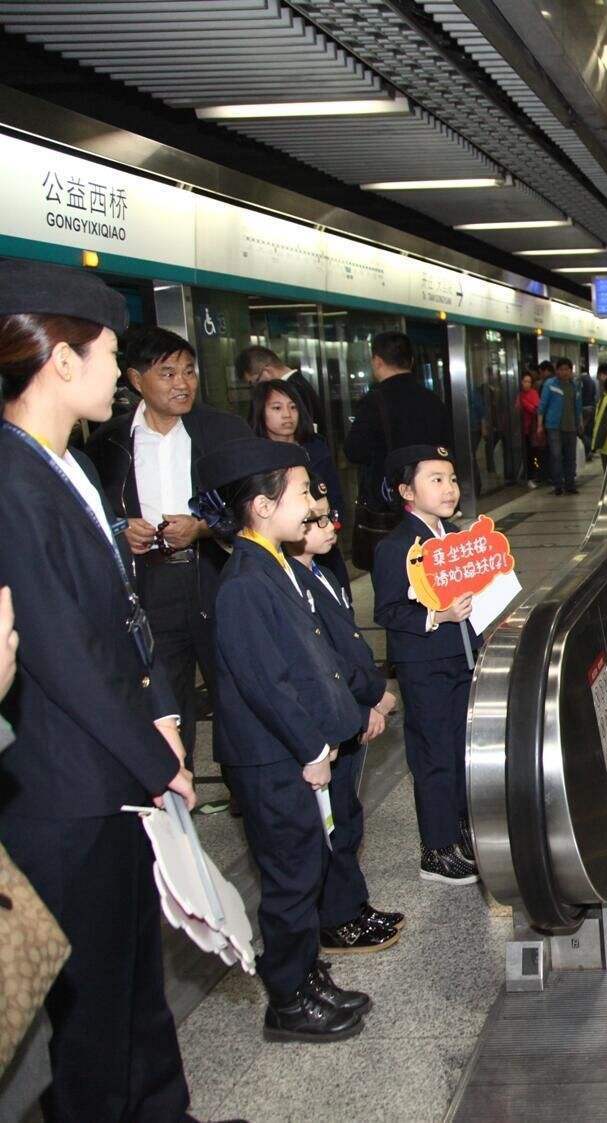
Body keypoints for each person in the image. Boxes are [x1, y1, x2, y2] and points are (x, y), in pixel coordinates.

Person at [0, 261, 197, 1118]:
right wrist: (155, 760)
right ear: (62, 360)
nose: (124, 374)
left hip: (108, 770)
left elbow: (117, 613)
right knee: (91, 1005)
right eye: (113, 354)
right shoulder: (12, 482)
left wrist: (158, 707)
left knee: (134, 978)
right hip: (66, 789)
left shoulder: (65, 463)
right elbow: (62, 654)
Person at [196, 438, 371, 1042]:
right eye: (301, 491)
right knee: (291, 878)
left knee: (307, 867)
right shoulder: (246, 580)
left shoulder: (275, 564)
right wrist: (311, 749)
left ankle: (306, 975)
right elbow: (264, 682)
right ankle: (289, 1000)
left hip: (290, 750)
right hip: (273, 757)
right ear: (263, 506)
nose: (313, 500)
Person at [86, 325, 249, 815]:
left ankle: (249, 797)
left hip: (215, 580)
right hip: (151, 585)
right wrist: (121, 530)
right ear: (136, 379)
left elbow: (253, 507)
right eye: (168, 372)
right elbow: (95, 511)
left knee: (236, 692)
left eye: (190, 371)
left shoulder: (222, 432)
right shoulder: (109, 440)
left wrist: (201, 529)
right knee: (165, 696)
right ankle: (174, 802)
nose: (183, 383)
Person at [288, 481, 403, 954]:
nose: (328, 526)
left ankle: (353, 904)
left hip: (352, 711)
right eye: (314, 521)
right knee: (333, 824)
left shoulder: (323, 574)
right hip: (336, 717)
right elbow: (327, 662)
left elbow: (352, 647)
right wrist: (370, 701)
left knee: (349, 816)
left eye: (328, 516)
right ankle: (337, 917)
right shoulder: (290, 585)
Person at [372, 445, 481, 885]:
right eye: (435, 479)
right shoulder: (397, 545)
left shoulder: (454, 537)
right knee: (434, 755)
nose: (449, 488)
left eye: (452, 478)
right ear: (406, 492)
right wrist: (438, 615)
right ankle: (435, 851)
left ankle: (458, 831)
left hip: (462, 659)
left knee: (460, 750)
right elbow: (388, 611)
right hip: (425, 665)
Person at [251, 377, 350, 592]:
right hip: (279, 551)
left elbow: (335, 499)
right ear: (261, 412)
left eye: (293, 407)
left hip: (323, 544)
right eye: (277, 408)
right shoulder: (255, 459)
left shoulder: (316, 449)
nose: (287, 415)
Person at [343, 331, 451, 504]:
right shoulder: (433, 399)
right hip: (430, 494)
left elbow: (354, 452)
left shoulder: (373, 402)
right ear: (412, 362)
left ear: (377, 362)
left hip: (389, 500)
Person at [235, 344, 326, 438]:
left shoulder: (292, 390)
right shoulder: (299, 383)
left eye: (255, 382)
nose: (257, 388)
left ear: (267, 371)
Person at [539, 357, 583, 495]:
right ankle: (558, 484)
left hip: (571, 426)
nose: (564, 372)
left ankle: (570, 484)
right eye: (561, 369)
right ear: (556, 371)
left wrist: (580, 422)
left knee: (571, 456)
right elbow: (542, 406)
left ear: (571, 370)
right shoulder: (550, 385)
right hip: (554, 427)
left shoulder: (574, 386)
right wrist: (539, 425)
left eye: (567, 369)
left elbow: (578, 406)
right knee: (556, 456)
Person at [519, 368, 543, 488]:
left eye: (529, 382)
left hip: (531, 430)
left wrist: (525, 404)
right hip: (522, 430)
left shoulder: (533, 394)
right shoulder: (519, 395)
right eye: (524, 381)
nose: (526, 384)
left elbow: (536, 409)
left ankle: (533, 476)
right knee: (526, 454)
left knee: (532, 454)